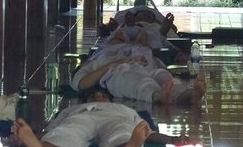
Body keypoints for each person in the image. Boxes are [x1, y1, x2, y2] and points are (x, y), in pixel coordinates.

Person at [11, 87, 193, 147]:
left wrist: (173, 138)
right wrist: (31, 136)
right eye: (94, 95)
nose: (98, 96)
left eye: (102, 95)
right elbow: (55, 127)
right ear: (87, 99)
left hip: (115, 119)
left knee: (122, 131)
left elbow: (149, 133)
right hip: (82, 117)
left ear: (111, 99)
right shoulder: (72, 110)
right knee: (67, 132)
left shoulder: (124, 110)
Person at [71, 30, 206, 105]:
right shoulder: (102, 54)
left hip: (147, 66)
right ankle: (160, 96)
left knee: (164, 77)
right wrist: (114, 64)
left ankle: (187, 95)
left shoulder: (144, 49)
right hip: (118, 72)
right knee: (137, 81)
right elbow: (78, 83)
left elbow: (161, 66)